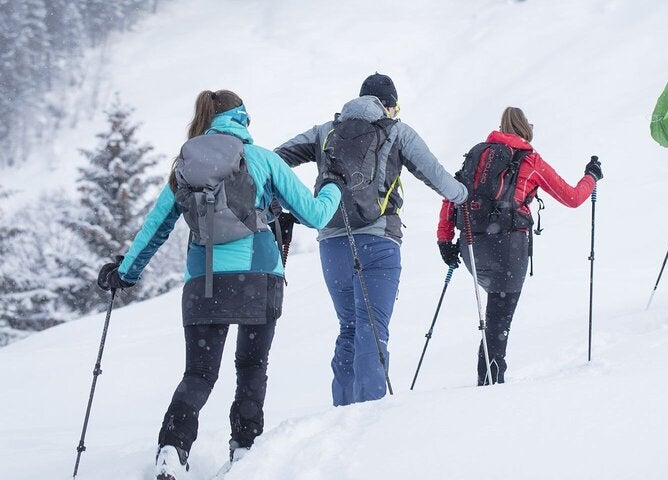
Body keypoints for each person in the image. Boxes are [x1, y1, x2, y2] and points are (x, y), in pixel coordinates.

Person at [95, 90, 342, 480]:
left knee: (198, 374)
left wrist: (125, 272)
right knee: (251, 366)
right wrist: (333, 186)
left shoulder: (186, 166)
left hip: (203, 284)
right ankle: (244, 449)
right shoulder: (260, 158)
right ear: (242, 118)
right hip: (259, 277)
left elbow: (156, 227)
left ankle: (171, 451)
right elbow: (315, 214)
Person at [274, 73, 468, 406]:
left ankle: (341, 412)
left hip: (332, 241)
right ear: (390, 106)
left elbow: (276, 159)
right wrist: (463, 193)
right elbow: (435, 175)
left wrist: (294, 202)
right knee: (373, 328)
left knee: (348, 326)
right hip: (378, 241)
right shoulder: (397, 131)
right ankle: (370, 417)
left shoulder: (326, 131)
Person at [436, 106, 602, 385]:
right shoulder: (530, 160)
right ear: (526, 129)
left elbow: (451, 195)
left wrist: (444, 239)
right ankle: (490, 385)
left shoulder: (477, 154)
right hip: (508, 246)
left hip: (470, 244)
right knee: (499, 320)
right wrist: (592, 177)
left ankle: (489, 380)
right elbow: (572, 197)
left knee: (494, 315)